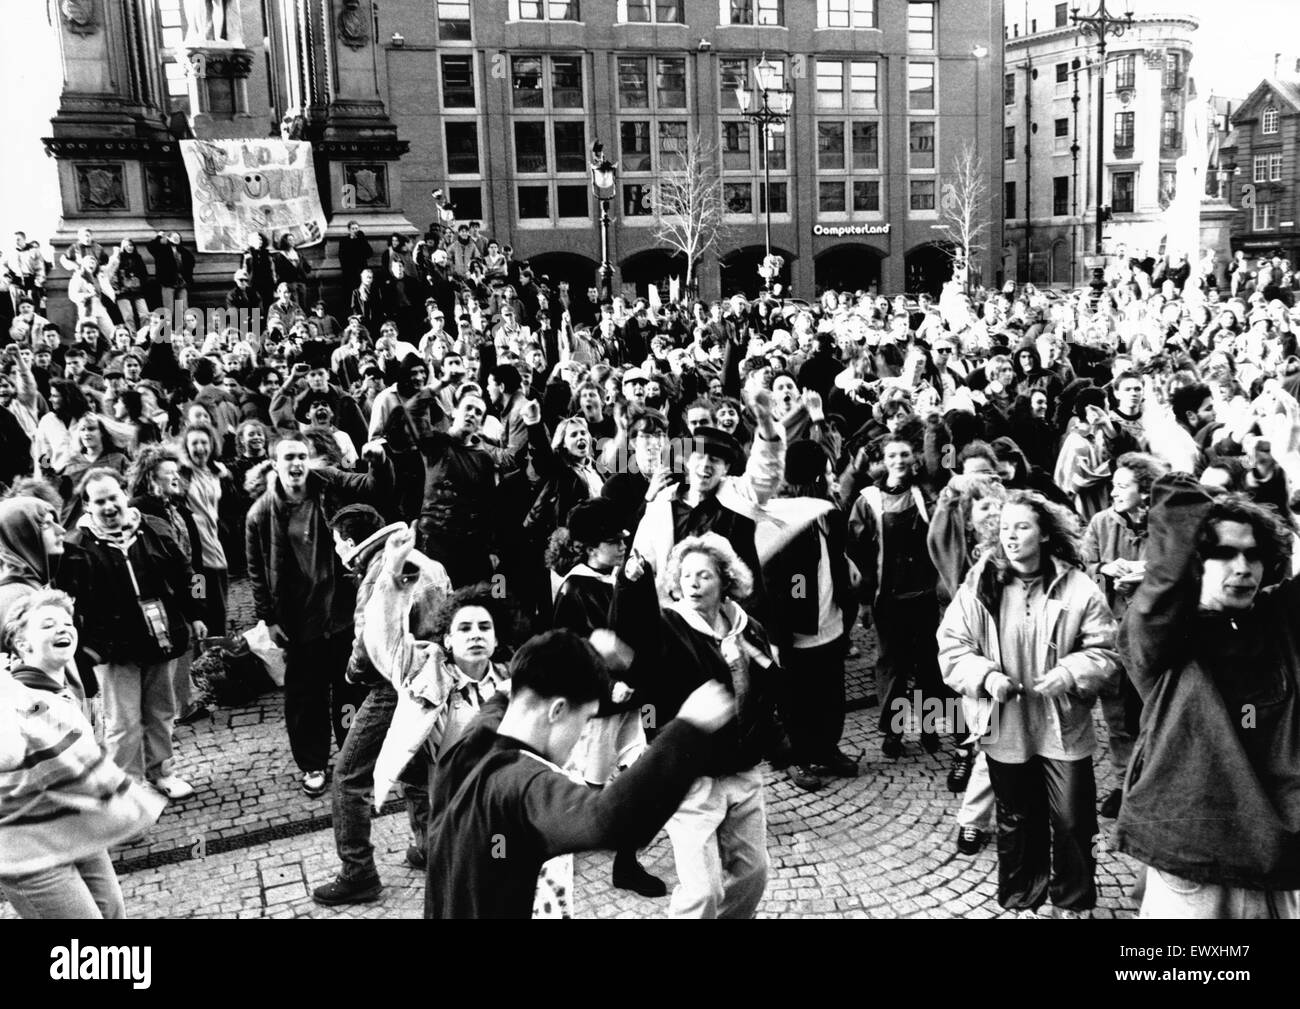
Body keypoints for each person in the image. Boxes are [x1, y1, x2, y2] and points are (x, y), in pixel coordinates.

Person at [423, 624, 736, 919]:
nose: (580, 739)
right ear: (558, 710)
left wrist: (587, 656)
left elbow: (516, 688)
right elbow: (612, 821)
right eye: (585, 721)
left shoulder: (470, 744)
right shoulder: (521, 782)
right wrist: (687, 731)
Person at [1117, 474, 1300, 918]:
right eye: (1224, 554)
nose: (1243, 567)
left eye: (1254, 556)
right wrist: (1190, 494)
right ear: (1194, 562)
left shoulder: (1278, 622)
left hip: (1275, 865)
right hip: (1192, 864)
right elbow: (1163, 579)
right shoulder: (1162, 638)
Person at [939, 490, 1119, 918]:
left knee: (1074, 822)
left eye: (1022, 527)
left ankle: (1072, 904)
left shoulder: (1079, 587)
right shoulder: (980, 583)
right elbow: (952, 647)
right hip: (1006, 725)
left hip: (1063, 727)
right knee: (1017, 822)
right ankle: (1025, 903)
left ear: (1044, 534)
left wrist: (1072, 671)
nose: (1012, 537)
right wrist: (986, 677)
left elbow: (1106, 651)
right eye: (1005, 529)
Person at [612, 532, 780, 918]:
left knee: (754, 873)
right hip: (690, 780)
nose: (692, 583)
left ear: (725, 581)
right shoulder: (666, 628)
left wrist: (774, 737)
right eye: (686, 575)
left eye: (704, 575)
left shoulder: (748, 628)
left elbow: (770, 689)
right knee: (703, 891)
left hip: (742, 771)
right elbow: (632, 640)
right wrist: (630, 583)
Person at [311, 508, 455, 906]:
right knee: (415, 767)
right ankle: (430, 848)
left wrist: (352, 675)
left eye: (339, 543)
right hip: (431, 677)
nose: (339, 552)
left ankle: (358, 873)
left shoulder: (379, 570)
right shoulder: (425, 560)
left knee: (348, 777)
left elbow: (369, 643)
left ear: (350, 541)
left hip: (395, 683)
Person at [0, 590, 164, 918]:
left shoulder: (65, 688)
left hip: (74, 827)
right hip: (28, 852)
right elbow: (7, 754)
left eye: (66, 623)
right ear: (21, 643)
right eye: (47, 625)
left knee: (112, 912)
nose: (63, 629)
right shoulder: (15, 695)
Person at [244, 434, 390, 797]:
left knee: (348, 688)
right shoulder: (261, 513)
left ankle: (352, 757)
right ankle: (312, 764)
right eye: (287, 458)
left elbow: (373, 486)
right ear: (275, 464)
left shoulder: (329, 483)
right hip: (299, 618)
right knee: (305, 696)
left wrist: (378, 459)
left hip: (339, 610)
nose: (295, 464)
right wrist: (269, 618)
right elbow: (256, 572)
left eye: (300, 456)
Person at [61, 468, 206, 802]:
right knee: (122, 722)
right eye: (100, 501)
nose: (109, 507)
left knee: (161, 710)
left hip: (160, 637)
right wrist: (87, 648)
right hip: (112, 649)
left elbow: (190, 575)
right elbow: (72, 602)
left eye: (114, 497)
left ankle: (163, 772)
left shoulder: (154, 528)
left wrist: (197, 613)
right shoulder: (77, 546)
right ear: (87, 505)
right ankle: (128, 785)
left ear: (124, 494)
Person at [1080, 451, 1167, 821]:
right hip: (1112, 633)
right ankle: (1122, 782)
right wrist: (1104, 567)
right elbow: (1083, 565)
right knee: (1116, 714)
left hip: (1149, 637)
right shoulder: (1101, 523)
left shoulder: (1163, 527)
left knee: (1152, 710)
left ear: (1145, 491)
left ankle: (1154, 780)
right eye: (1112, 485)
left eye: (1121, 486)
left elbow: (1174, 569)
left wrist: (1146, 573)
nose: (1113, 492)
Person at [146, 231, 194, 320]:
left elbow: (190, 262)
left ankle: (184, 329)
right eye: (174, 237)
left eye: (178, 237)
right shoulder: (162, 250)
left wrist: (187, 277)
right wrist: (159, 237)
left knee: (184, 307)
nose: (176, 239)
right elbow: (151, 246)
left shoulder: (183, 251)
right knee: (169, 309)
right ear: (169, 239)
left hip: (181, 282)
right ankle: (168, 329)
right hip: (168, 282)